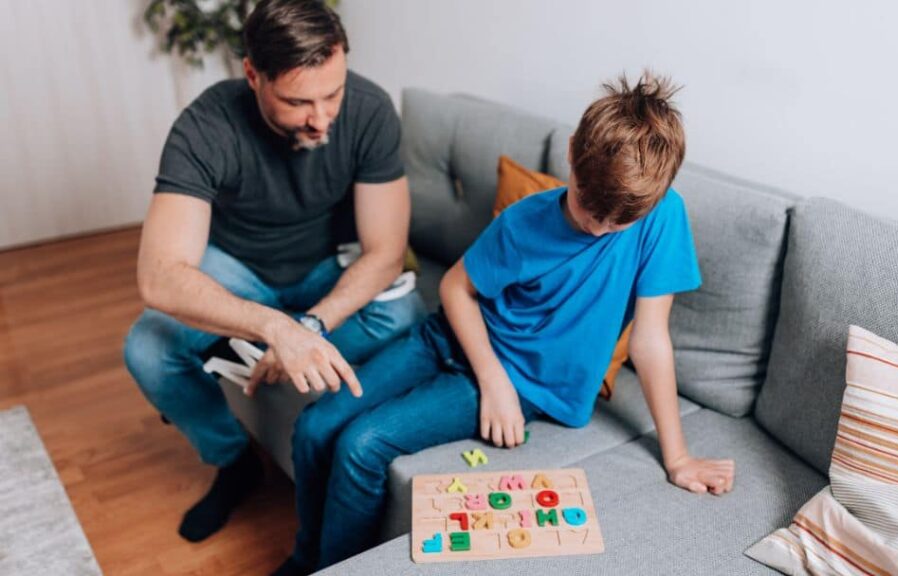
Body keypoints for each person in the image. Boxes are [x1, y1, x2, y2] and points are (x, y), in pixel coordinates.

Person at [274, 71, 737, 576]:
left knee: (361, 445)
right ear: (572, 153)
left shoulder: (661, 216)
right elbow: (455, 288)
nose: (598, 226)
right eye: (587, 205)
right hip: (451, 340)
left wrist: (678, 458)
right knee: (316, 425)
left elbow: (650, 341)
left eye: (616, 222)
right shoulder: (524, 220)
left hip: (527, 383)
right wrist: (493, 381)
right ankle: (306, 563)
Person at [123, 0, 425, 544]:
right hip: (238, 267)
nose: (322, 116)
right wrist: (273, 327)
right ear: (252, 74)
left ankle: (247, 349)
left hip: (323, 268)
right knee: (147, 347)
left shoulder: (371, 108)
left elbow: (384, 252)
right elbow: (160, 274)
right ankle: (234, 462)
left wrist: (308, 327)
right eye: (297, 101)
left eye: (332, 93)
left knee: (405, 310)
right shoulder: (204, 126)